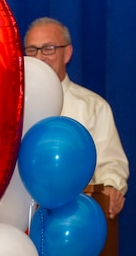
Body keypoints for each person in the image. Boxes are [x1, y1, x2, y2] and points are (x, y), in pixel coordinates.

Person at [23, 17, 129, 217]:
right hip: (21, 217)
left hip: (76, 218)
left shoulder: (93, 106)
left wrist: (110, 187)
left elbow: (111, 162)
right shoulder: (11, 108)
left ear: (67, 53)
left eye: (48, 48)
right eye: (31, 50)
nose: (40, 57)